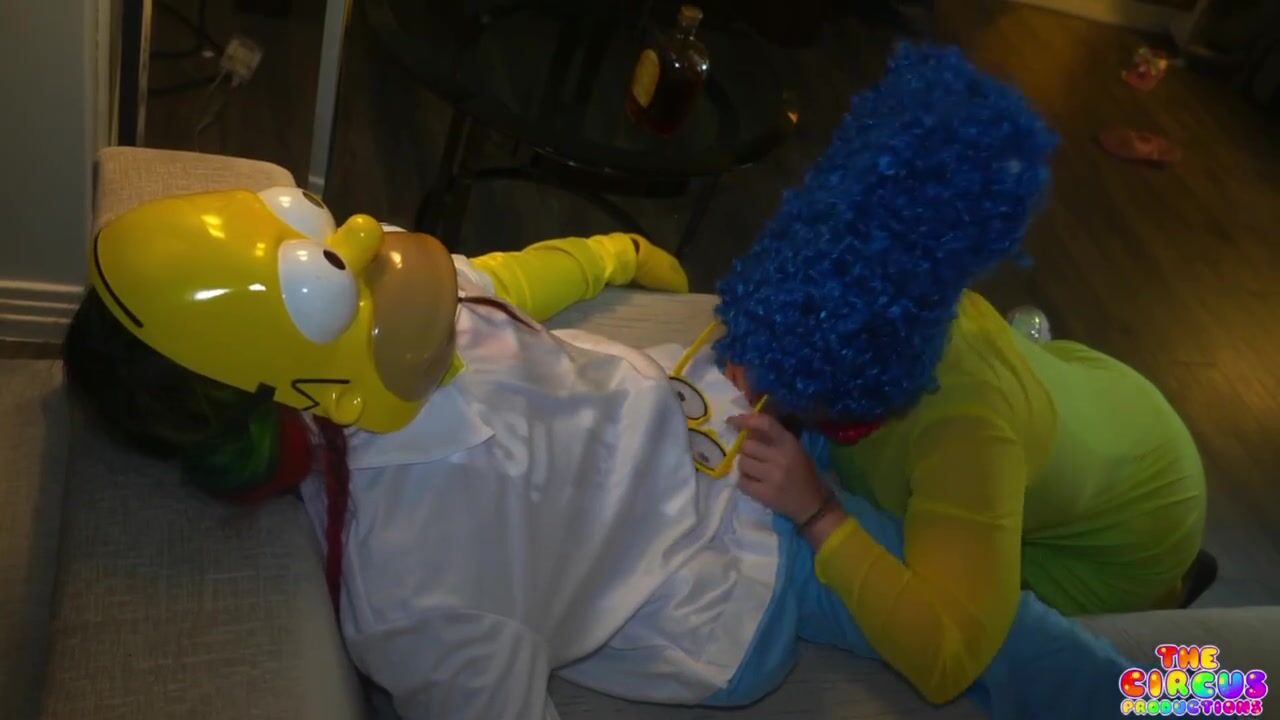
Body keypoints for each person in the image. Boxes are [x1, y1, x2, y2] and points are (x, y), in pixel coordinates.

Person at [61, 48, 1133, 720]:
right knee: (1018, 639)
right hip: (734, 583)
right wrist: (818, 519)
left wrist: (617, 253)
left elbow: (499, 280)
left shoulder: (391, 301)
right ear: (282, 397)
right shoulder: (418, 592)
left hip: (714, 416)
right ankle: (1204, 694)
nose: (388, 264)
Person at [712, 43, 1209, 705]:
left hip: (1134, 531)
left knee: (1013, 637)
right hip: (1109, 404)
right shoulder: (905, 305)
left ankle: (1222, 697)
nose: (761, 386)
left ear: (859, 394)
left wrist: (819, 512)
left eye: (790, 386)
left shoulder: (967, 439)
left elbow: (949, 657)